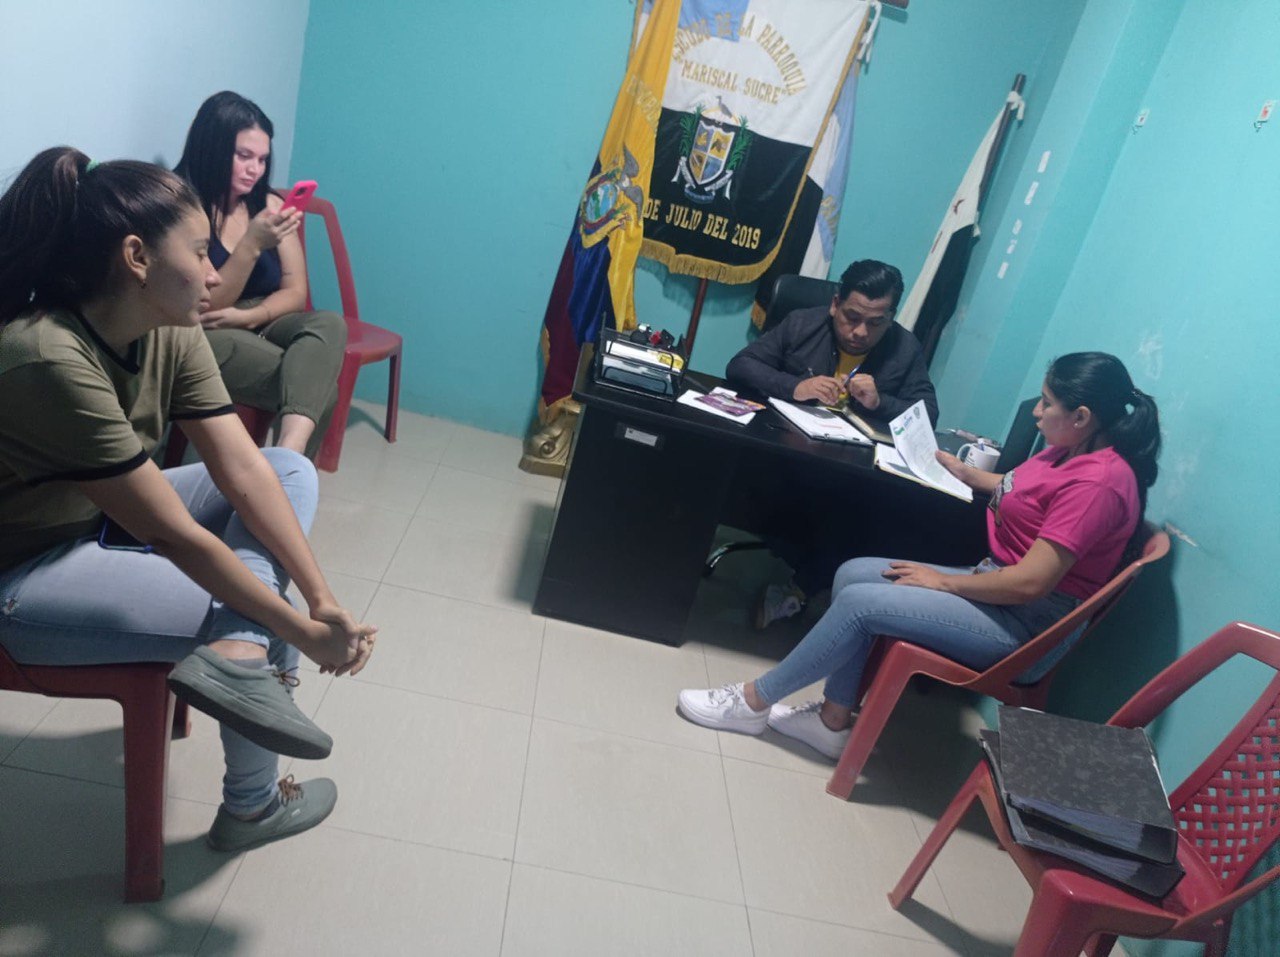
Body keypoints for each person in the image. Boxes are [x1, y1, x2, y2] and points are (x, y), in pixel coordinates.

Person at [0, 147, 375, 851]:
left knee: (287, 472)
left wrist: (322, 601)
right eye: (200, 252)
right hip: (21, 573)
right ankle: (253, 806)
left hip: (92, 519)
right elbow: (173, 534)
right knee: (253, 611)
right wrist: (298, 630)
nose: (213, 274)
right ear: (136, 257)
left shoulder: (169, 325)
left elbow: (245, 469)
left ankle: (238, 658)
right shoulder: (48, 357)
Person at [678, 352, 1160, 763]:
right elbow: (1023, 491)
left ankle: (753, 702)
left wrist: (942, 581)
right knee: (852, 574)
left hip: (1025, 625)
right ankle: (831, 721)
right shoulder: (1069, 450)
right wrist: (959, 470)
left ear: (1081, 416)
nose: (1036, 411)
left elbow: (1031, 583)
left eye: (1047, 403)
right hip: (998, 586)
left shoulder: (1098, 484)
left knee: (860, 604)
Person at [725, 259, 940, 628]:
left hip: (852, 468)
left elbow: (928, 414)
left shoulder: (904, 348)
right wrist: (794, 387)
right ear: (835, 304)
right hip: (785, 451)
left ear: (890, 318)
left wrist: (881, 402)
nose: (860, 332)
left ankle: (801, 588)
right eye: (851, 317)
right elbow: (741, 365)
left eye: (876, 323)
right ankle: (810, 578)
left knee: (871, 508)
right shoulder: (802, 324)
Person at [174, 90, 346, 458]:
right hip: (204, 328)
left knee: (329, 323)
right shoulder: (180, 205)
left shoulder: (267, 204)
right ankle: (288, 471)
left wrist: (249, 316)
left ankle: (286, 454)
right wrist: (251, 245)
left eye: (263, 159)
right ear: (212, 147)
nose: (255, 169)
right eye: (243, 156)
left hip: (258, 316)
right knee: (320, 390)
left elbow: (295, 291)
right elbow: (205, 306)